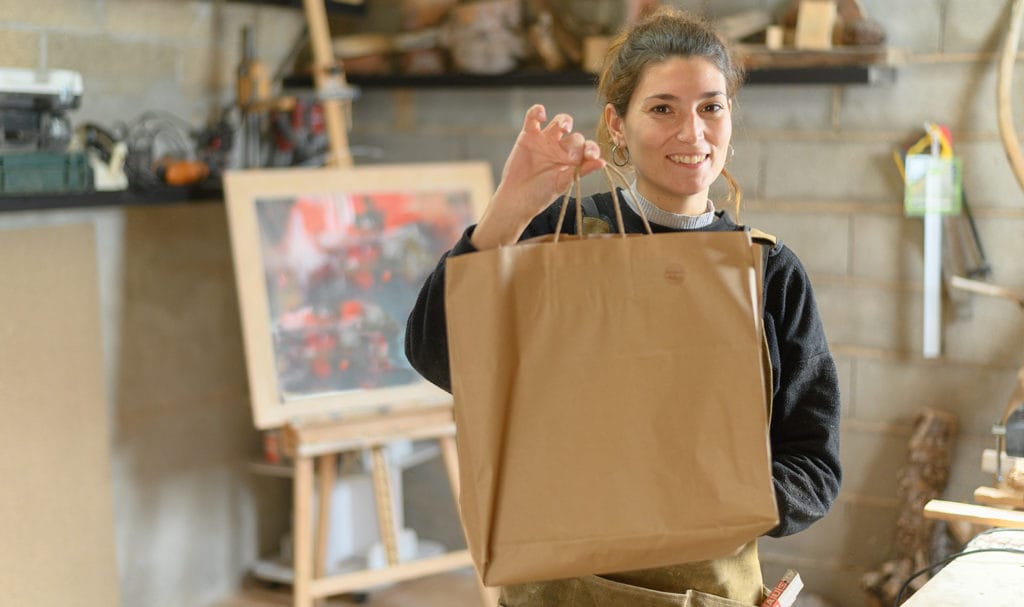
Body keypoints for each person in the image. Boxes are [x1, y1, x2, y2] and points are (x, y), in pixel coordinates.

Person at [405, 7, 840, 606]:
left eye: (711, 107)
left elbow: (813, 465)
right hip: (558, 591)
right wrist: (509, 209)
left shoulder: (769, 273)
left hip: (704, 592)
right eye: (663, 108)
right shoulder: (560, 242)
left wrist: (704, 498)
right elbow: (437, 354)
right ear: (617, 124)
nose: (692, 133)